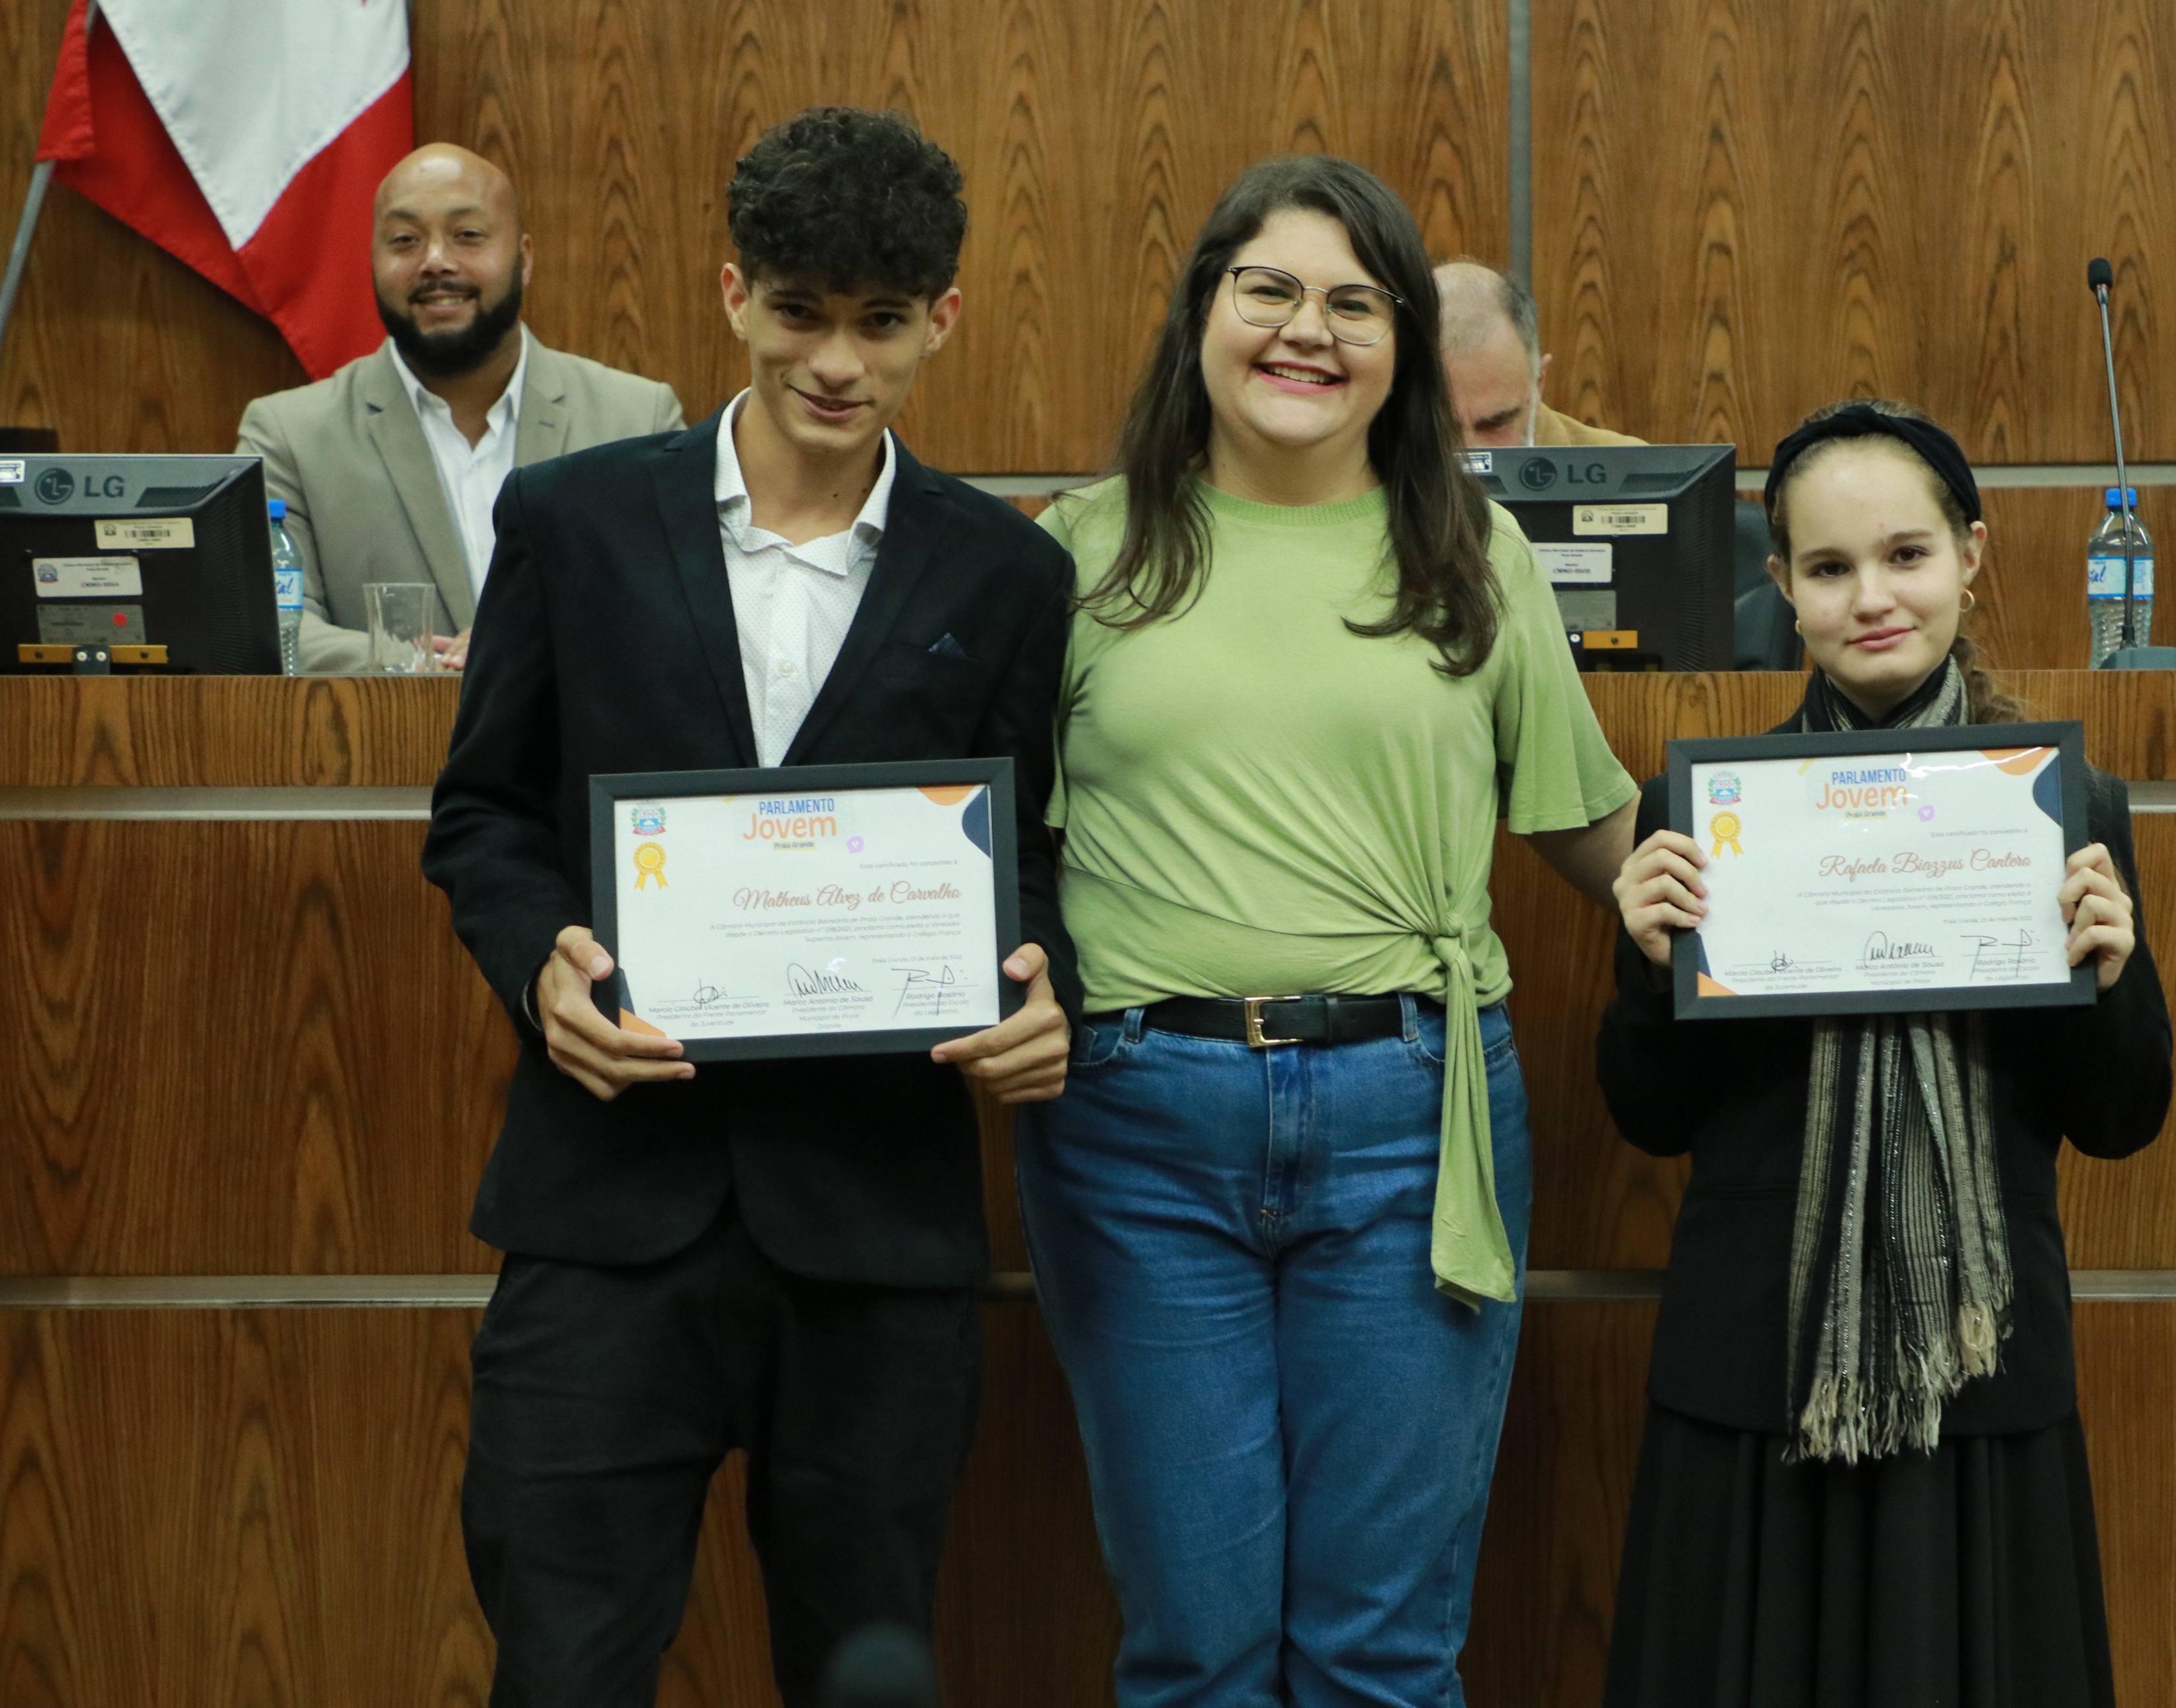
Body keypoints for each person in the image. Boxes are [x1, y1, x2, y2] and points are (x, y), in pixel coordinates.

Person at [420, 108, 1076, 1707]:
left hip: (875, 1225)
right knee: (564, 1667)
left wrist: (1043, 980)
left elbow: (1033, 853)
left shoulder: (1005, 573)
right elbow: (485, 813)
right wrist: (540, 962)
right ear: (733, 295)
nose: (836, 362)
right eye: (799, 313)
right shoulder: (572, 521)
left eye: (881, 322)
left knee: (862, 1669)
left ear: (943, 319)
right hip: (605, 1209)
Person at [1020, 156, 1638, 1707]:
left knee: (1382, 1655)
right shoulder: (1075, 551)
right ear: (1204, 313)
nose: (1309, 331)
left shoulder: (1474, 549)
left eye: (1355, 303)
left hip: (1413, 1125)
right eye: (1271, 291)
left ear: (1402, 346)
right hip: (1137, 1132)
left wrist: (1827, 893)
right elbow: (985, 844)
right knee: (1198, 1653)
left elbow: (1588, 826)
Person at [1597, 399, 2173, 1707]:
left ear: (1969, 557)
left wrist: (2107, 978)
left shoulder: (2064, 809)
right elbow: (1648, 1117)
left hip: (1974, 1372)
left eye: (1905, 555)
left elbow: (2121, 1118)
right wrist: (1644, 961)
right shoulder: (1704, 813)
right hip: (1759, 1373)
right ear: (1781, 587)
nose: (1871, 597)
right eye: (1828, 566)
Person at [237, 144, 684, 673]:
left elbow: (676, 614)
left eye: (467, 235)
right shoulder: (289, 436)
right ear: (373, 261)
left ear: (524, 258)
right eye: (405, 240)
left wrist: (533, 650)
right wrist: (429, 663)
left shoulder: (637, 421)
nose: (435, 261)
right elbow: (277, 629)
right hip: (383, 727)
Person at [1433, 257, 1642, 448]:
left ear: (1539, 382)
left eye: (1496, 423)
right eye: (1439, 426)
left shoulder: (1633, 470)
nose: (1470, 453)